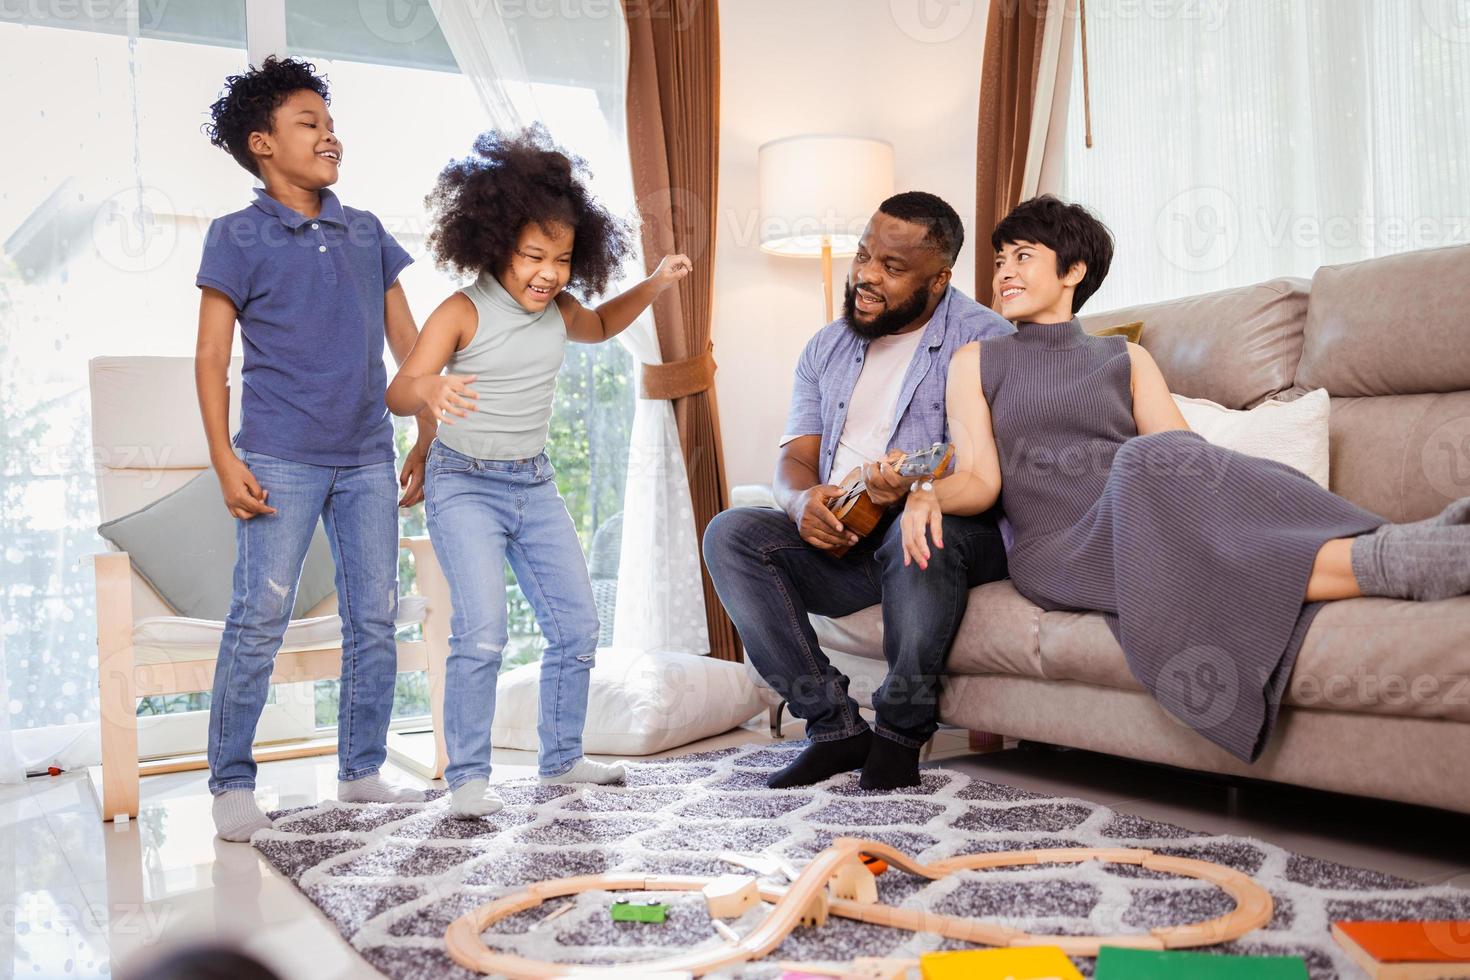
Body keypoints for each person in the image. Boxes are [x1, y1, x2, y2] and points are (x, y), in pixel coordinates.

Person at [901, 194, 1470, 762]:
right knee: (1142, 461)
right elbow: (980, 480)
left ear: (1073, 271)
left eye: (1023, 257)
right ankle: (1408, 552)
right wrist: (927, 492)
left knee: (1164, 460)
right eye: (1000, 260)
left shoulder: (1125, 359)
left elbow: (1186, 460)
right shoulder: (975, 361)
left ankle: (1400, 556)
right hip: (1060, 548)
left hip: (1147, 523)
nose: (1004, 273)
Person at [386, 126, 692, 819]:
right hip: (464, 483)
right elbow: (398, 389)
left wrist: (654, 283)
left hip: (533, 482)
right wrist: (430, 391)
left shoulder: (560, 309)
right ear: (495, 244)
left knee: (579, 627)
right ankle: (467, 777)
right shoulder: (461, 311)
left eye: (561, 258)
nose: (548, 272)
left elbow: (606, 324)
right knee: (483, 632)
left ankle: (562, 758)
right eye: (532, 256)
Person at [195, 56, 434, 841]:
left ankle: (361, 771)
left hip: (367, 454)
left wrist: (428, 430)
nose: (329, 136)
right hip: (279, 456)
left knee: (375, 617)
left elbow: (411, 349)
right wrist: (227, 460)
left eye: (330, 125)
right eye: (310, 124)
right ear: (263, 144)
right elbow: (210, 358)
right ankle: (231, 782)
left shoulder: (365, 231)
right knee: (258, 617)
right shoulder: (237, 236)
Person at [703, 192, 1013, 791]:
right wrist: (801, 503)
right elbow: (795, 457)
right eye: (864, 255)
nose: (867, 276)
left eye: (893, 268)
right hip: (850, 541)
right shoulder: (828, 346)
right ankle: (835, 727)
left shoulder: (985, 343)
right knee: (732, 533)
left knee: (915, 526)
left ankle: (899, 736)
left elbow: (994, 474)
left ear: (940, 278)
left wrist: (914, 488)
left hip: (949, 535)